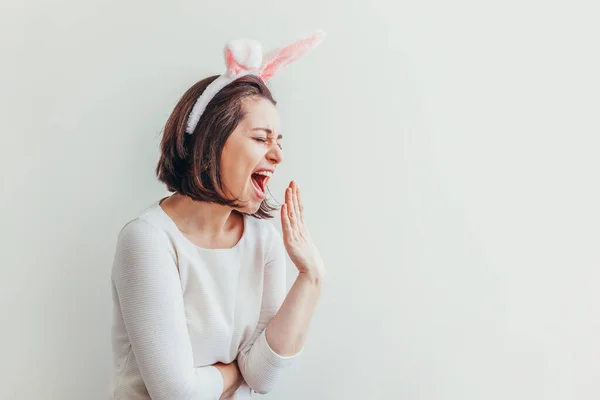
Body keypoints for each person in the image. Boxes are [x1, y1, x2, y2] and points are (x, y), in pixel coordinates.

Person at [109, 32, 326, 400]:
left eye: (279, 142)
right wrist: (230, 372)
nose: (277, 156)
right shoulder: (147, 241)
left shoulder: (264, 241)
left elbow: (261, 377)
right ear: (212, 140)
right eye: (261, 139)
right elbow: (176, 393)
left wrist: (311, 278)